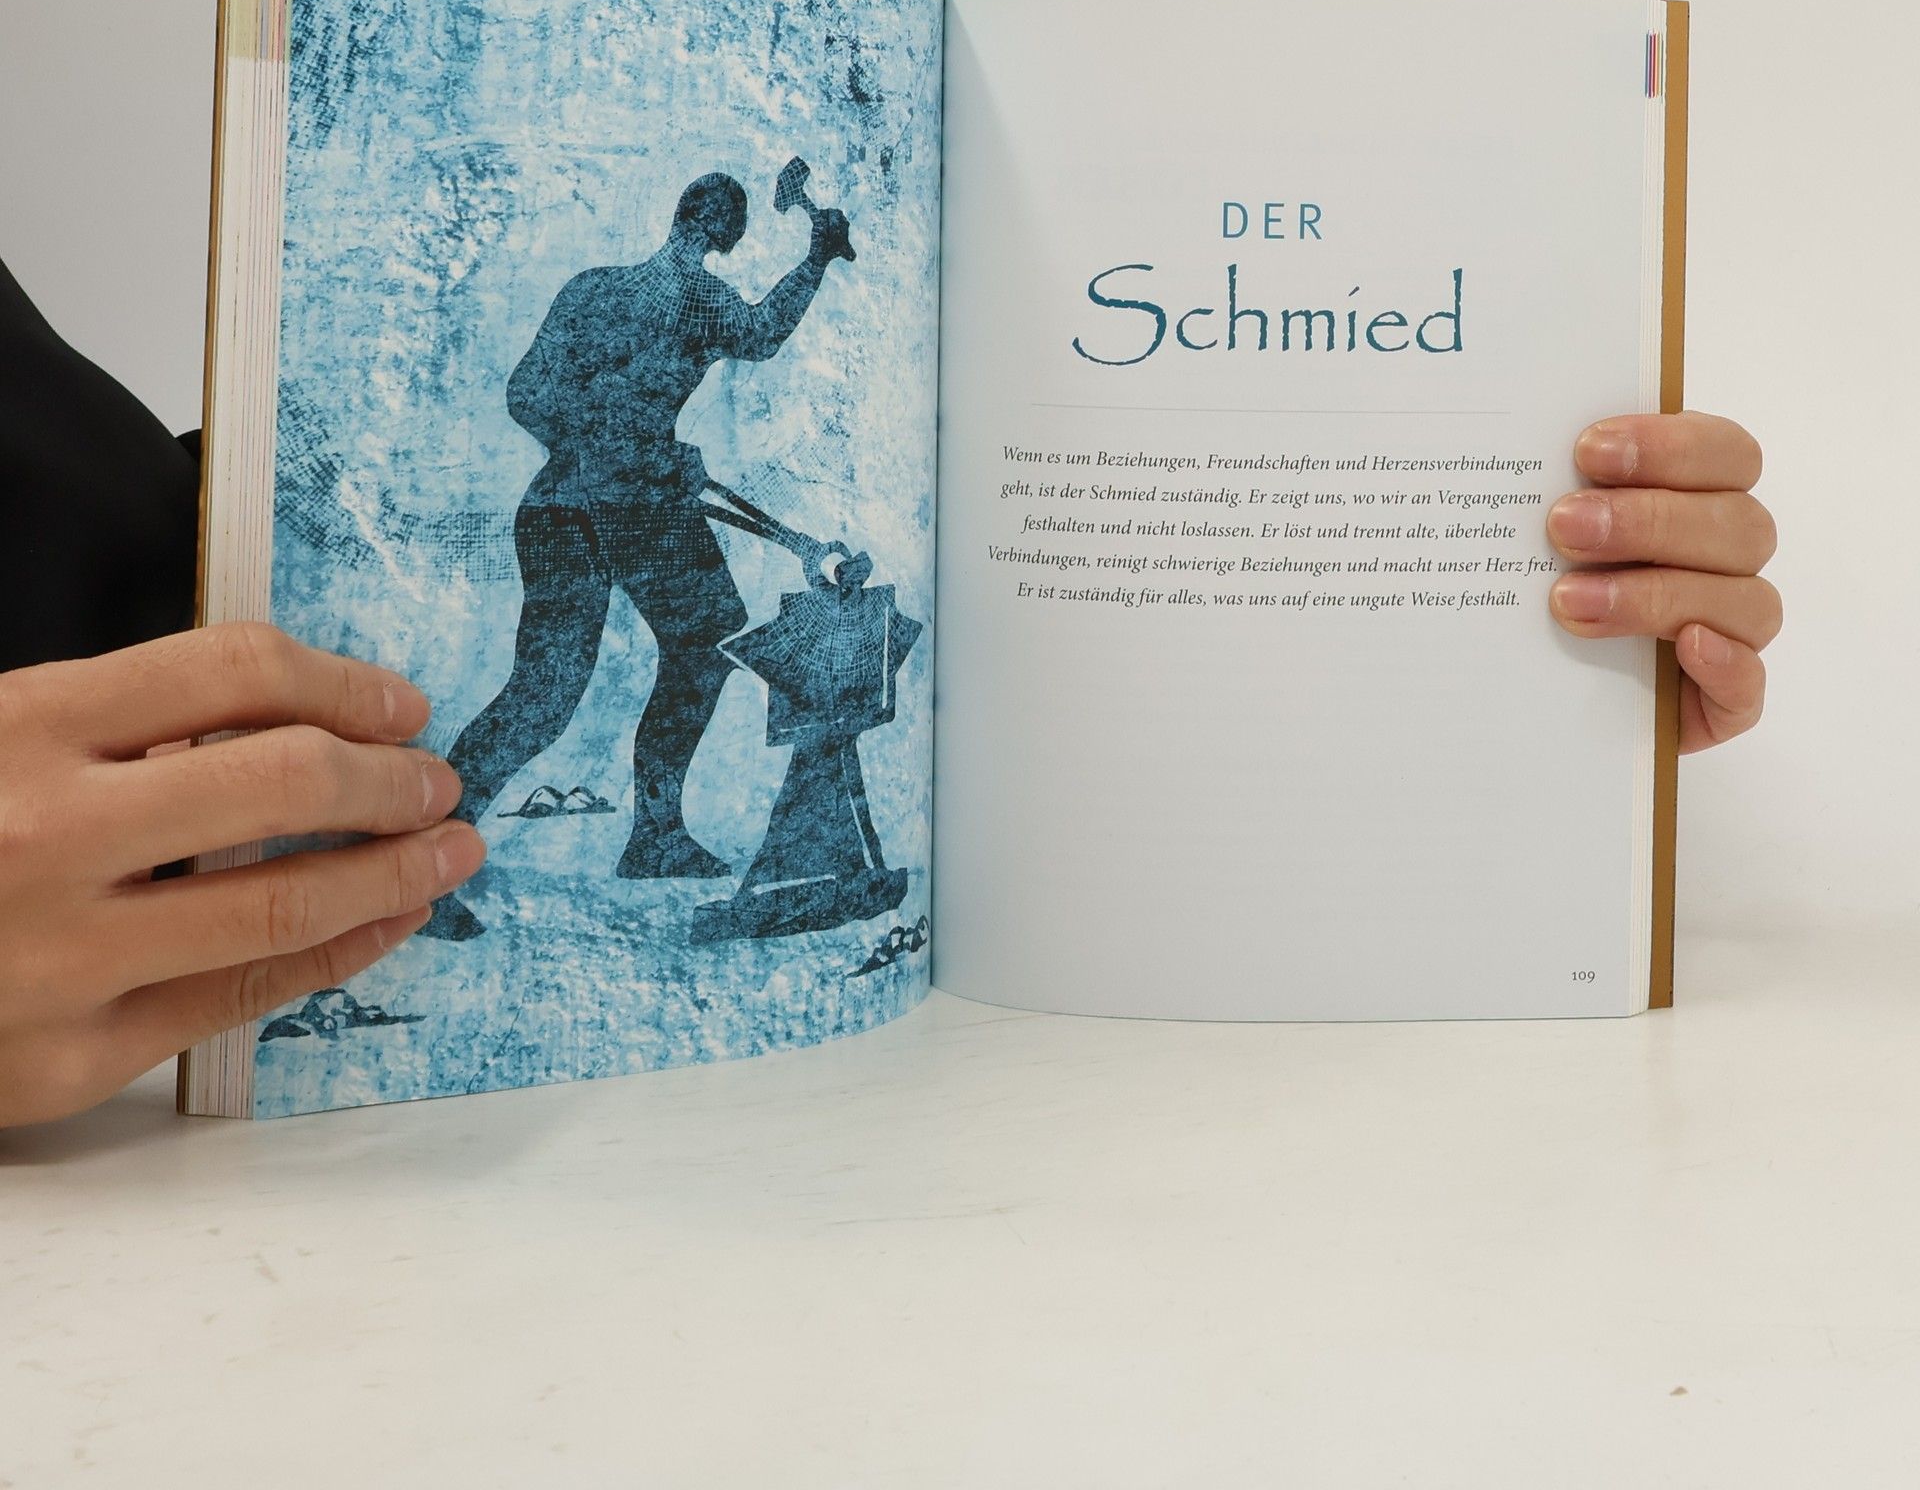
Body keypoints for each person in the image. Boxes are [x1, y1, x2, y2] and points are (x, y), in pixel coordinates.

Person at [0, 252, 1781, 1127]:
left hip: (597, 518)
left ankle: (656, 829)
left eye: (722, 271)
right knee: (550, 676)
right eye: (718, 255)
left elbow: (96, 564)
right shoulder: (620, 303)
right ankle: (431, 853)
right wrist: (626, 436)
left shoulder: (697, 305)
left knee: (695, 648)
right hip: (583, 504)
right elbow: (547, 400)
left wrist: (1434, 649)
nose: (713, 293)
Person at [429, 168, 855, 940]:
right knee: (605, 675)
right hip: (619, 509)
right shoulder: (700, 300)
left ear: (679, 216)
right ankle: (453, 859)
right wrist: (817, 256)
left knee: (610, 670)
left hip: (575, 504)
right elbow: (763, 334)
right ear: (727, 234)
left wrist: (620, 450)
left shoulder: (594, 288)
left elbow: (528, 396)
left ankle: (641, 838)